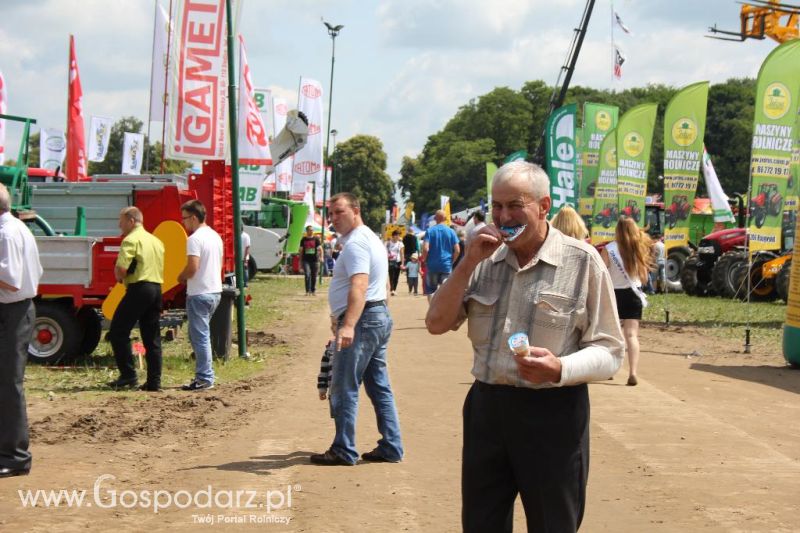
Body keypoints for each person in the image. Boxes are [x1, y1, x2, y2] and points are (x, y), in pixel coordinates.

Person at [425, 161, 624, 532]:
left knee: (553, 524)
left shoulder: (582, 262)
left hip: (554, 415)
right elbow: (436, 323)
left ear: (544, 205)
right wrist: (467, 262)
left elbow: (611, 351)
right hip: (488, 411)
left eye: (515, 206)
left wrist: (562, 368)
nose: (503, 217)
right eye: (496, 206)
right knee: (482, 523)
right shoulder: (481, 259)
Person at [310, 192, 403, 466]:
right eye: (331, 213)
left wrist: (348, 323)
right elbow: (383, 282)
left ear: (355, 210)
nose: (333, 218)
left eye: (339, 212)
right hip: (375, 316)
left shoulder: (356, 244)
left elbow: (359, 284)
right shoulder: (370, 238)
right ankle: (391, 445)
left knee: (343, 386)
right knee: (378, 386)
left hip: (363, 320)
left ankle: (343, 449)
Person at [0, 184, 42, 478]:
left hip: (11, 311)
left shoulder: (5, 233)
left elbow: (10, 280)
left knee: (8, 385)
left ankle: (15, 456)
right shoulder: (17, 228)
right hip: (16, 309)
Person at [107, 207, 165, 391]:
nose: (119, 225)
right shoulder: (156, 241)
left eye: (121, 221)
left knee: (118, 331)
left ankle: (128, 376)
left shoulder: (130, 240)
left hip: (139, 288)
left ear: (131, 221)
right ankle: (154, 382)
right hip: (156, 289)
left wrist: (118, 275)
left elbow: (121, 270)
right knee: (152, 337)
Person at [600, 216, 653, 387]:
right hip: (633, 294)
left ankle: (611, 371)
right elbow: (644, 278)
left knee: (611, 334)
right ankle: (633, 373)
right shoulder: (639, 248)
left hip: (613, 295)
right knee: (631, 335)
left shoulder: (609, 249)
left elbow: (601, 272)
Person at [178, 200, 223, 392]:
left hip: (199, 292)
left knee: (200, 337)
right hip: (214, 291)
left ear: (194, 218)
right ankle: (206, 374)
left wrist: (180, 277)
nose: (183, 223)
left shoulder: (194, 239)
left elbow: (193, 267)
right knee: (200, 335)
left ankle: (204, 378)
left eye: (185, 218)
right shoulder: (215, 236)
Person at [421, 210, 459, 299]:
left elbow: (425, 248)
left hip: (432, 265)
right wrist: (452, 262)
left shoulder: (429, 231)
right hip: (446, 265)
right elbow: (457, 250)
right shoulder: (451, 231)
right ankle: (444, 310)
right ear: (445, 218)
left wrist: (425, 260)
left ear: (435, 218)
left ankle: (432, 309)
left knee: (431, 290)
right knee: (446, 290)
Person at [299, 225, 322, 295]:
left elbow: (320, 249)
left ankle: (313, 290)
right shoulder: (303, 239)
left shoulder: (316, 239)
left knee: (314, 275)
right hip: (306, 260)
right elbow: (301, 251)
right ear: (307, 231)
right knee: (307, 274)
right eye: (310, 230)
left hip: (315, 260)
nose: (311, 231)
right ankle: (307, 291)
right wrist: (300, 261)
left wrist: (322, 257)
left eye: (312, 230)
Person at [386, 230, 404, 296]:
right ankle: (392, 289)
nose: (398, 236)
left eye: (399, 235)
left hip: (398, 261)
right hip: (390, 261)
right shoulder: (388, 243)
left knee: (396, 277)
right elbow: (385, 251)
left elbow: (402, 254)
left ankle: (394, 289)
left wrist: (402, 263)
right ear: (393, 235)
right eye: (396, 235)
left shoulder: (400, 244)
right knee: (391, 276)